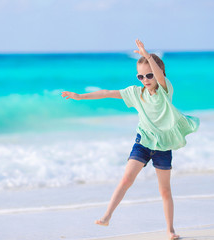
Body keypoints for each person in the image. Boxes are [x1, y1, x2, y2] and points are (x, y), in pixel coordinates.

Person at [61, 39, 199, 240]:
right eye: (140, 76)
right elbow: (108, 93)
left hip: (163, 146)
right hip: (143, 142)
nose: (145, 79)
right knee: (126, 179)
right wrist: (80, 96)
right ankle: (107, 216)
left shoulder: (164, 90)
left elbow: (159, 76)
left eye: (149, 74)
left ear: (159, 73)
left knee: (164, 190)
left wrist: (147, 54)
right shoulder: (136, 93)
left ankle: (170, 230)